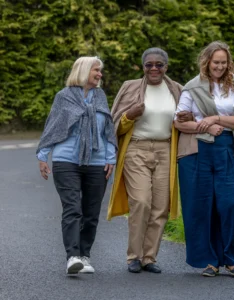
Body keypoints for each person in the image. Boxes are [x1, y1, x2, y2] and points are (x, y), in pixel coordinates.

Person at [107, 47, 192, 274]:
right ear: (142, 67)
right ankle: (133, 256)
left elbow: (189, 120)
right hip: (136, 148)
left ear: (166, 67)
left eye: (159, 65)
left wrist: (187, 117)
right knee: (142, 202)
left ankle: (149, 257)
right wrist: (129, 116)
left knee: (160, 206)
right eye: (149, 65)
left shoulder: (178, 90)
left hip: (166, 149)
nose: (154, 68)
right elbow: (115, 123)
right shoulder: (130, 87)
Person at [174, 41, 234, 277]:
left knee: (229, 205)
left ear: (228, 63)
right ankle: (209, 261)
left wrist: (216, 118)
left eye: (223, 62)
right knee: (201, 206)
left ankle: (231, 259)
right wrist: (204, 127)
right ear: (206, 62)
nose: (219, 66)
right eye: (215, 62)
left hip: (228, 148)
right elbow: (178, 121)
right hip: (199, 151)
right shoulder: (192, 87)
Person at [36, 56, 117, 275]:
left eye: (100, 71)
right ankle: (72, 256)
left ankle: (84, 256)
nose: (100, 75)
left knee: (91, 212)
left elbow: (107, 129)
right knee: (72, 208)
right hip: (66, 161)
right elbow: (53, 126)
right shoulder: (63, 97)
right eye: (96, 70)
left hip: (97, 162)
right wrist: (43, 156)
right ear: (83, 71)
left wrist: (111, 158)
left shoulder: (100, 96)